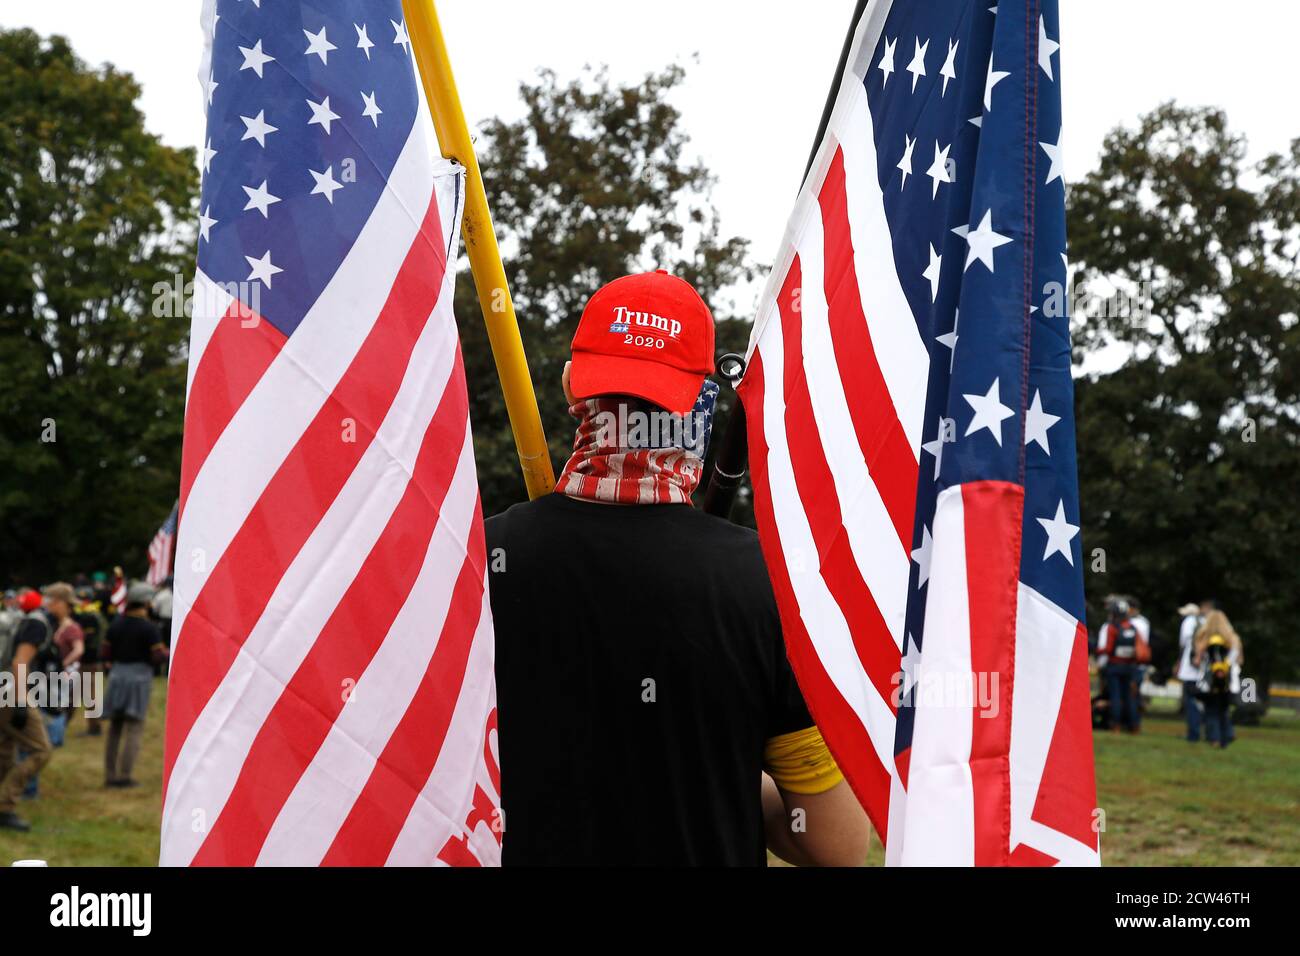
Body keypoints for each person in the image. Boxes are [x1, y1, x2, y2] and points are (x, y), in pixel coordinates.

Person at [487, 270, 870, 866]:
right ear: (700, 404)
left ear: (573, 386)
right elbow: (833, 843)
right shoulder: (768, 584)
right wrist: (724, 765)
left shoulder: (480, 561)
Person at [102, 582, 167, 787]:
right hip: (138, 678)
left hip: (117, 676)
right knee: (134, 727)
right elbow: (157, 656)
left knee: (115, 727)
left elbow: (105, 653)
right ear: (146, 602)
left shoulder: (116, 624)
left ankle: (110, 775)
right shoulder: (149, 628)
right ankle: (125, 775)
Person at [0, 590, 54, 831]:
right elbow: (19, 662)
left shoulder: (15, 620)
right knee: (41, 750)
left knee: (5, 749)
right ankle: (4, 805)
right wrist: (21, 700)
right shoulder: (37, 624)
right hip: (11, 690)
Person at [1094, 597, 1148, 733]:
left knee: (1116, 697)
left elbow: (1108, 648)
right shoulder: (1133, 628)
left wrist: (1096, 650)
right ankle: (1134, 726)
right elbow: (1140, 648)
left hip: (1114, 666)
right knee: (1130, 697)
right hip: (1130, 667)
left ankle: (1116, 725)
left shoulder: (1112, 628)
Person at [1194, 609, 1243, 749]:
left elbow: (1199, 661)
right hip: (1229, 682)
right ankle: (1227, 735)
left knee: (1211, 711)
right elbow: (1237, 661)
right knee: (1224, 709)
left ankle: (1214, 738)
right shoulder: (1232, 639)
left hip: (1209, 681)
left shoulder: (1204, 638)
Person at [73, 586, 108, 736]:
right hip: (92, 659)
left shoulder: (88, 616)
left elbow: (86, 638)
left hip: (89, 659)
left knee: (90, 695)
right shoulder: (94, 614)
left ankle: (94, 728)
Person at [1175, 602, 1204, 741]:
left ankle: (1193, 733)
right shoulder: (1205, 621)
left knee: (1191, 702)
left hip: (1190, 668)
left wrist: (1178, 663)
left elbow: (1182, 643)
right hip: (1204, 670)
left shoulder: (1188, 621)